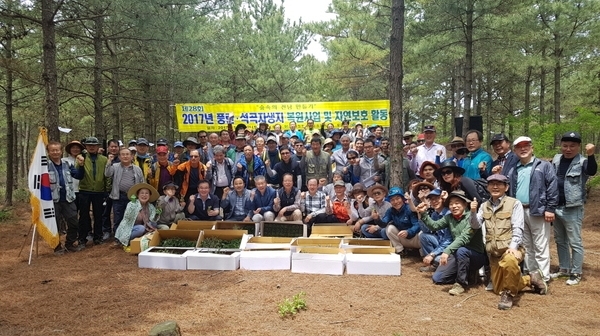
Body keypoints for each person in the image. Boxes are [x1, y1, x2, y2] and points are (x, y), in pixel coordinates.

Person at [470, 174, 548, 309]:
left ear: (506, 187)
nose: (495, 187)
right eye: (492, 184)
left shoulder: (514, 203)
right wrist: (472, 211)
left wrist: (513, 247)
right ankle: (530, 279)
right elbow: (475, 225)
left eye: (499, 184)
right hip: (494, 255)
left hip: (510, 250)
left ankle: (508, 295)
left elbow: (518, 227)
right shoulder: (484, 206)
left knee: (510, 262)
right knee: (497, 289)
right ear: (487, 187)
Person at [508, 136, 558, 282]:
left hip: (538, 210)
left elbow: (552, 187)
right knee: (526, 246)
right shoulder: (513, 168)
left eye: (526, 146)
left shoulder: (543, 166)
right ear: (515, 150)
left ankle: (543, 277)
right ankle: (531, 276)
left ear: (532, 148)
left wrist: (550, 208)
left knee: (540, 245)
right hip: (519, 211)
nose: (523, 149)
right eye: (519, 147)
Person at [417, 190, 486, 295]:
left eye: (457, 203)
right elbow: (434, 226)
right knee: (438, 278)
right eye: (451, 204)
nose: (454, 206)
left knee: (462, 250)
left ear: (465, 204)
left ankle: (461, 284)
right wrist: (423, 213)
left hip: (476, 255)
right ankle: (467, 275)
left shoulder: (472, 218)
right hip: (458, 253)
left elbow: (464, 238)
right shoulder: (449, 217)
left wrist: (447, 251)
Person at [550, 132, 597, 285]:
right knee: (560, 240)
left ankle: (576, 272)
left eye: (572, 146)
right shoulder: (556, 159)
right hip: (556, 206)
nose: (568, 149)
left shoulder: (582, 161)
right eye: (565, 146)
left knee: (575, 241)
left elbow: (591, 171)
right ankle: (564, 268)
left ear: (578, 147)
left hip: (573, 208)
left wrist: (591, 155)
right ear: (561, 146)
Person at [47, 141, 84, 253]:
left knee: (74, 222)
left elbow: (78, 175)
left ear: (61, 151)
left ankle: (70, 244)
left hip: (68, 199)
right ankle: (57, 247)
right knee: (55, 225)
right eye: (52, 150)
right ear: (48, 152)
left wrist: (81, 166)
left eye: (57, 150)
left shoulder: (67, 164)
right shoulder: (45, 167)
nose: (55, 152)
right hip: (53, 200)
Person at [76, 137, 110, 247]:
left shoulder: (104, 159)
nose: (91, 147)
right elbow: (78, 174)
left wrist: (106, 190)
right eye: (89, 145)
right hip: (85, 190)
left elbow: (107, 176)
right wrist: (81, 164)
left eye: (94, 145)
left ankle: (98, 237)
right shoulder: (81, 158)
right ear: (85, 146)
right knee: (84, 215)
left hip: (99, 191)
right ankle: (82, 238)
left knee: (98, 215)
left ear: (97, 146)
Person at [105, 147, 145, 235]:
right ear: (119, 157)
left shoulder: (137, 169)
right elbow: (107, 174)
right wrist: (109, 161)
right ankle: (118, 237)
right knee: (118, 217)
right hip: (118, 196)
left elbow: (142, 182)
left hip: (133, 197)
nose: (125, 156)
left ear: (132, 156)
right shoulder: (115, 166)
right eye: (123, 154)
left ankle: (128, 235)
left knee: (131, 217)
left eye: (127, 154)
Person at [115, 183, 160, 248]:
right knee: (141, 229)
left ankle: (142, 239)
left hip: (145, 226)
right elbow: (128, 217)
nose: (144, 195)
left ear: (150, 195)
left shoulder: (150, 206)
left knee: (154, 224)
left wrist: (157, 214)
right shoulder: (132, 204)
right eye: (142, 193)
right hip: (130, 228)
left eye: (146, 193)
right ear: (138, 195)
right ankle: (128, 241)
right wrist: (134, 207)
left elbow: (153, 219)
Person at [417, 188, 452, 272]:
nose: (434, 201)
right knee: (423, 236)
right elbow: (426, 230)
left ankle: (435, 262)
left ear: (443, 199)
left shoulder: (449, 214)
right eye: (432, 199)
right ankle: (433, 264)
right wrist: (421, 214)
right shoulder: (434, 214)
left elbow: (448, 240)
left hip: (449, 246)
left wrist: (432, 254)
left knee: (437, 259)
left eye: (437, 198)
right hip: (440, 242)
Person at [381, 187, 421, 254]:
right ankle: (400, 250)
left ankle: (421, 251)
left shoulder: (409, 208)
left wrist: (408, 232)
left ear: (402, 199)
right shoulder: (390, 211)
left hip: (415, 238)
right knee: (389, 228)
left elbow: (417, 224)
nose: (395, 202)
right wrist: (376, 219)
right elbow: (384, 223)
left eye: (397, 198)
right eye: (392, 200)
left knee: (422, 234)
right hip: (402, 238)